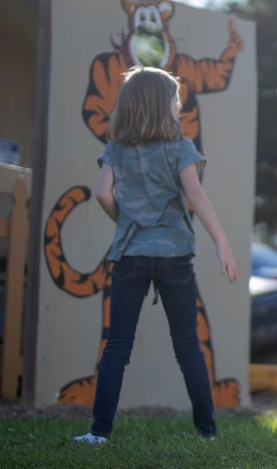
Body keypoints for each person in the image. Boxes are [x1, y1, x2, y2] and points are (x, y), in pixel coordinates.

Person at [73, 66, 238, 444]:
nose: (178, 106)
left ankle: (99, 432)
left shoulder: (115, 149)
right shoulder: (180, 148)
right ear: (162, 106)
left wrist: (126, 219)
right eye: (174, 100)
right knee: (187, 345)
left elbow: (102, 193)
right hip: (174, 256)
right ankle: (206, 431)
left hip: (130, 254)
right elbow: (195, 196)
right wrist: (221, 241)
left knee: (117, 345)